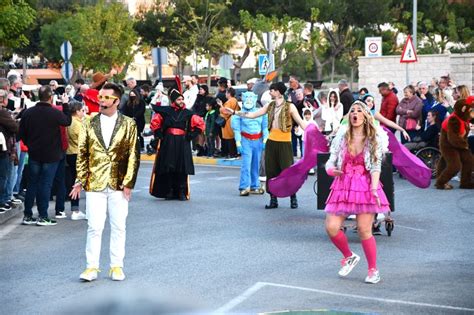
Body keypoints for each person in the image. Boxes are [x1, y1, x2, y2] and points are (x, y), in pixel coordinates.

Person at [70, 82, 140, 282]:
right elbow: (82, 154)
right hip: (95, 183)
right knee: (94, 226)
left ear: (116, 101)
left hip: (119, 183)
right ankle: (91, 267)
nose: (100, 100)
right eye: (100, 97)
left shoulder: (129, 124)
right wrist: (80, 180)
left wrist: (128, 183)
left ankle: (116, 266)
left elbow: (133, 155)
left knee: (119, 226)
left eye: (105, 98)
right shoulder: (88, 123)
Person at [324, 101, 390, 284]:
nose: (355, 113)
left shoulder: (373, 139)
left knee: (364, 229)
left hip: (365, 185)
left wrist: (374, 188)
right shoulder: (341, 137)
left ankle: (373, 270)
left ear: (365, 116)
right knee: (331, 226)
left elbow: (376, 166)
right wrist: (331, 170)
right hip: (343, 185)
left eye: (359, 110)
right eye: (352, 110)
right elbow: (331, 161)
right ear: (349, 116)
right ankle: (349, 256)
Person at [224, 82, 308, 209]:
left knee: (288, 171)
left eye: (272, 90)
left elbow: (301, 122)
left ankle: (293, 197)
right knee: (271, 172)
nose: (270, 92)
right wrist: (235, 113)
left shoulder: (290, 107)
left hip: (285, 143)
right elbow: (252, 115)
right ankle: (273, 199)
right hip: (271, 142)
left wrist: (314, 133)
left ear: (279, 92)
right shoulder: (270, 105)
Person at [19, 86, 71, 226]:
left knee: (32, 184)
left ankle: (28, 215)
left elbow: (21, 133)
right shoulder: (54, 113)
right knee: (45, 184)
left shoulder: (28, 113)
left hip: (34, 152)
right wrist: (65, 104)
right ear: (50, 97)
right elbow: (67, 121)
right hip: (52, 153)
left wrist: (30, 144)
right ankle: (43, 216)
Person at [149, 79, 204, 200]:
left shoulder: (187, 113)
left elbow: (200, 124)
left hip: (182, 142)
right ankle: (168, 191)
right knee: (168, 167)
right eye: (179, 99)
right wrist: (158, 133)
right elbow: (155, 123)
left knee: (181, 167)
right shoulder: (166, 111)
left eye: (182, 99)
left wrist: (192, 135)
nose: (181, 101)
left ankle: (181, 192)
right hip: (168, 142)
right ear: (174, 100)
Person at [231, 91, 268, 196]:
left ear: (255, 99)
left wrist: (265, 140)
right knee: (246, 165)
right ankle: (244, 186)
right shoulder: (238, 114)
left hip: (258, 141)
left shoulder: (261, 113)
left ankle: (255, 185)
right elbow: (236, 130)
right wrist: (238, 143)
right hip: (245, 141)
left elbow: (265, 128)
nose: (249, 100)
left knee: (256, 164)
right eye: (246, 97)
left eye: (251, 97)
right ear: (242, 98)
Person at [65, 101, 87, 220]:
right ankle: (76, 210)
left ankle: (75, 209)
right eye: (82, 110)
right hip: (77, 154)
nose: (84, 113)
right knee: (78, 182)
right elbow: (83, 140)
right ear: (77, 111)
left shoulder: (70, 121)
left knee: (74, 180)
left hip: (70, 153)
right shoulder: (77, 124)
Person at [0, 89, 19, 213]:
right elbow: (15, 127)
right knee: (3, 175)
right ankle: (2, 200)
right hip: (4, 148)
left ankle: (4, 199)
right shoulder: (3, 113)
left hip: (5, 146)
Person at [218, 87, 240, 158]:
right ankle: (234, 153)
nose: (225, 94)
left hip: (229, 121)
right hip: (233, 119)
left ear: (229, 93)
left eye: (226, 93)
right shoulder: (235, 100)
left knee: (230, 138)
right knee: (232, 138)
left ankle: (232, 153)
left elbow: (225, 111)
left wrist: (221, 106)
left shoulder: (230, 101)